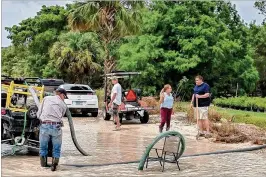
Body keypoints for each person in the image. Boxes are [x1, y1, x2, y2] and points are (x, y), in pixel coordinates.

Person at [37, 88, 68, 171]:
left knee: (43, 147)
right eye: (64, 97)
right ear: (62, 95)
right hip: (56, 126)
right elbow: (61, 116)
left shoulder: (46, 99)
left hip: (44, 125)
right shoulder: (63, 104)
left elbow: (39, 113)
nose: (64, 98)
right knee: (56, 147)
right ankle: (54, 165)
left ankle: (43, 166)